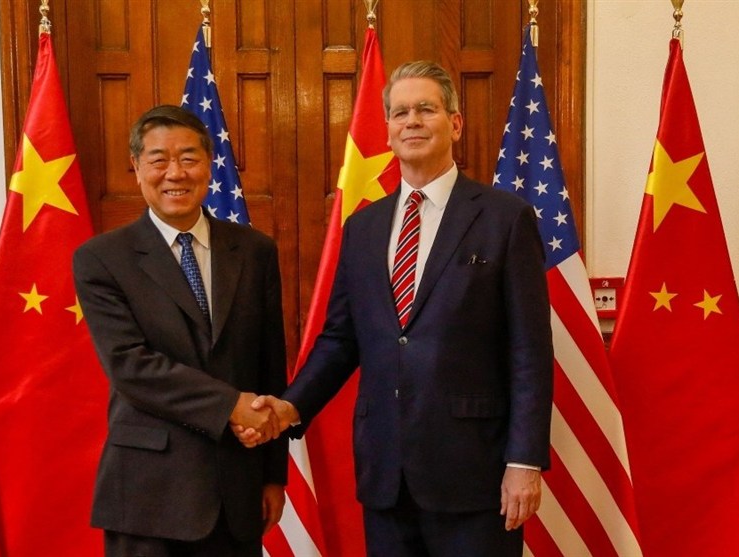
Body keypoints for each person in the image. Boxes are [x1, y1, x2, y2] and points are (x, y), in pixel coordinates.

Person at [237, 61, 554, 556]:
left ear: (455, 123)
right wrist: (290, 406)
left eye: (426, 109)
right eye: (400, 112)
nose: (412, 121)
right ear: (387, 130)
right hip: (386, 473)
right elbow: (340, 339)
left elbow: (530, 351)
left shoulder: (505, 218)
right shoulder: (363, 228)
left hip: (476, 474)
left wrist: (525, 462)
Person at [73, 105, 287, 557]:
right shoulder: (102, 259)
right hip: (149, 495)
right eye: (159, 160)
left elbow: (269, 365)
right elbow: (130, 367)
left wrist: (272, 474)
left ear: (210, 165)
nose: (175, 173)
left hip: (237, 491)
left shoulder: (255, 251)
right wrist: (230, 405)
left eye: (189, 158)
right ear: (137, 168)